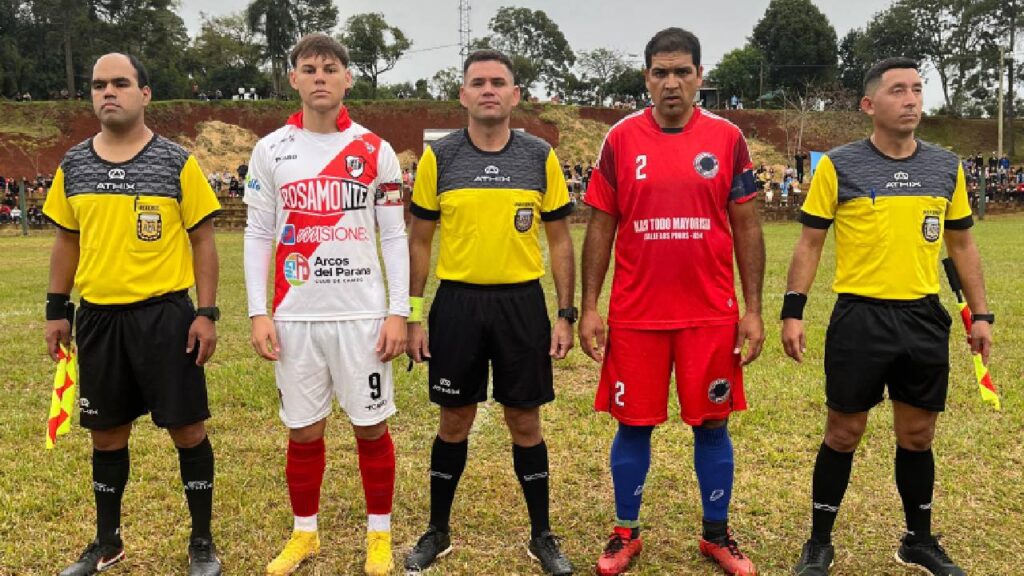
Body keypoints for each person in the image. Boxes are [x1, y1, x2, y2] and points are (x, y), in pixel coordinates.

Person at [783, 57, 992, 576]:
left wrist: (981, 314)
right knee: (843, 432)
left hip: (922, 317)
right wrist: (793, 311)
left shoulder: (945, 166)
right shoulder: (838, 165)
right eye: (898, 90)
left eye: (917, 89)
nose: (911, 99)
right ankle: (819, 543)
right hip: (860, 317)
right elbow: (810, 243)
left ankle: (918, 540)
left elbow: (962, 245)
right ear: (868, 104)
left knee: (918, 436)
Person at [579, 27, 764, 576]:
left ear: (700, 77)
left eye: (683, 71)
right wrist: (590, 306)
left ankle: (716, 535)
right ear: (647, 78)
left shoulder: (728, 139)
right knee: (632, 425)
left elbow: (747, 227)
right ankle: (625, 534)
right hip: (636, 314)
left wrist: (753, 309)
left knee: (713, 424)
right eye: (661, 72)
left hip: (709, 314)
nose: (672, 83)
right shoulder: (619, 140)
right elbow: (601, 226)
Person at [42, 53, 222, 576]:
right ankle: (108, 542)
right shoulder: (74, 164)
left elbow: (203, 240)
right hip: (99, 319)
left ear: (145, 93)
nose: (108, 92)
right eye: (99, 84)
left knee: (188, 429)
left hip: (165, 317)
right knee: (106, 433)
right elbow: (66, 240)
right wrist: (57, 309)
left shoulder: (176, 162)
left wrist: (206, 312)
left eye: (120, 83)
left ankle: (202, 542)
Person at [404, 48, 576, 576]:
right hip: (458, 303)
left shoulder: (540, 155)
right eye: (477, 82)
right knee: (454, 419)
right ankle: (437, 530)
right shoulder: (440, 157)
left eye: (498, 82)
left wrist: (565, 313)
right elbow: (419, 240)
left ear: (514, 95)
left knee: (525, 419)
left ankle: (542, 535)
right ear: (463, 95)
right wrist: (413, 314)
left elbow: (561, 241)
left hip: (521, 304)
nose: (488, 90)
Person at [243, 34, 409, 576]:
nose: (320, 77)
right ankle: (304, 533)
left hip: (362, 315)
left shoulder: (375, 149)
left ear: (347, 79)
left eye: (330, 68)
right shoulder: (271, 150)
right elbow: (257, 234)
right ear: (293, 78)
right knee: (303, 429)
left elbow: (393, 236)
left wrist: (398, 312)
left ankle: (379, 535)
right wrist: (259, 311)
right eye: (309, 68)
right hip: (295, 314)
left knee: (371, 428)